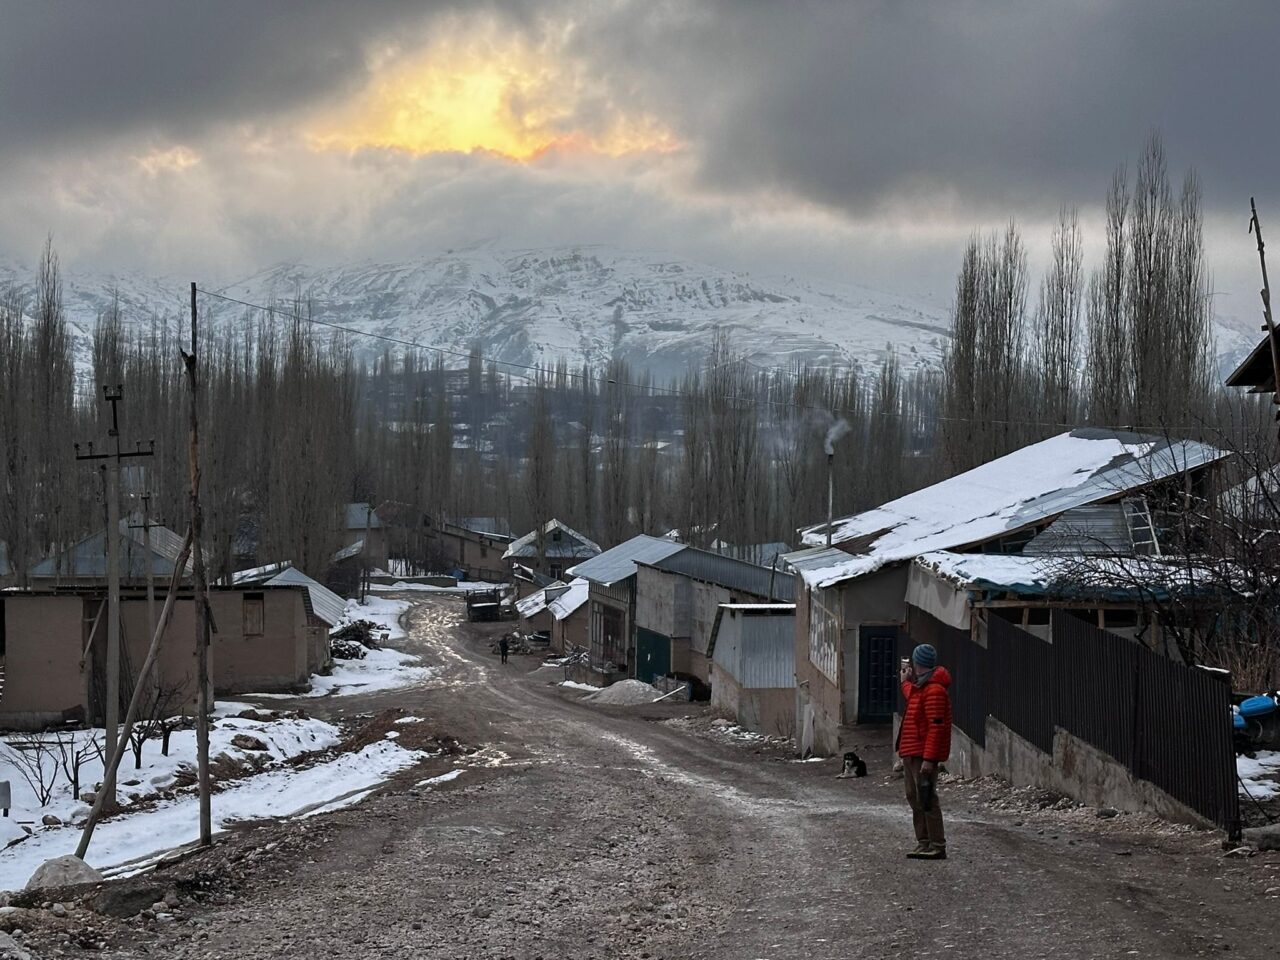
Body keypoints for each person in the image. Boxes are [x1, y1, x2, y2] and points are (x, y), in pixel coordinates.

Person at [897, 643, 952, 860]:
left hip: (921, 754)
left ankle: (937, 844)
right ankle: (924, 841)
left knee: (926, 797)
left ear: (917, 663)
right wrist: (905, 683)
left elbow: (936, 728)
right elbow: (914, 696)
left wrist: (929, 759)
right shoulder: (922, 687)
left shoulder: (934, 690)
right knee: (914, 796)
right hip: (912, 751)